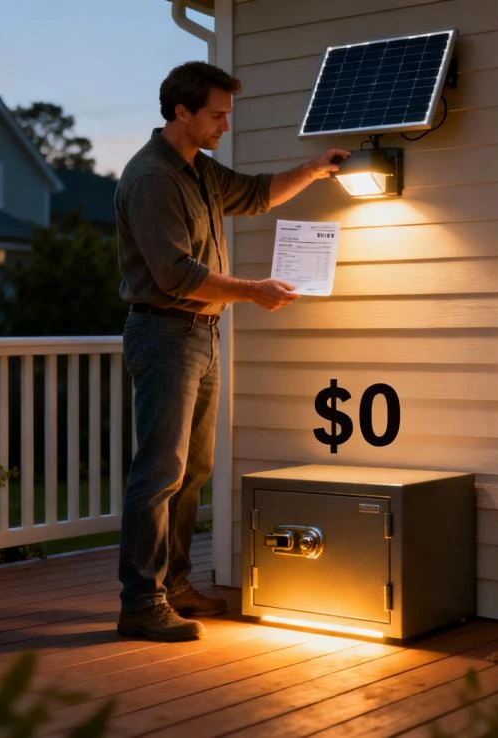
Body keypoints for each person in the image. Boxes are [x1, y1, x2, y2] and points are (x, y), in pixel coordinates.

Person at [114, 61, 348, 642]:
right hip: (165, 334)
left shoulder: (198, 170)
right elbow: (175, 274)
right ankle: (141, 603)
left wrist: (314, 169)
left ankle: (173, 586)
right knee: (158, 472)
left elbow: (257, 194)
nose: (225, 125)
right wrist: (253, 291)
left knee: (192, 470)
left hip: (201, 334)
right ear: (182, 112)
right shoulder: (151, 178)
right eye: (216, 115)